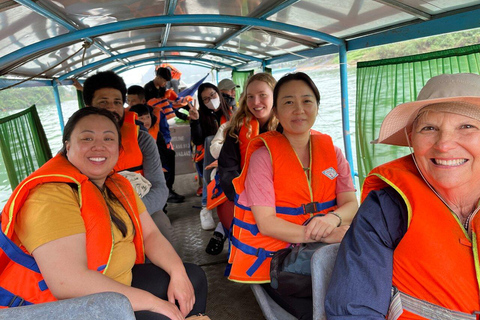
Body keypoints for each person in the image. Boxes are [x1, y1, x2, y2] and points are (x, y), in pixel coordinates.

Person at [0, 107, 207, 319]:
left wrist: (178, 272)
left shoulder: (117, 184)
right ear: (67, 146)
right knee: (163, 316)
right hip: (62, 306)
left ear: (118, 148)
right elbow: (67, 281)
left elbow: (151, 235)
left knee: (192, 278)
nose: (98, 146)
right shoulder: (49, 196)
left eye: (108, 139)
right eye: (87, 138)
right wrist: (154, 304)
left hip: (116, 282)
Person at [325, 73, 480, 319]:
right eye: (429, 128)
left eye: (467, 126)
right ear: (411, 139)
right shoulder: (386, 209)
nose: (444, 144)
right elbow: (355, 310)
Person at [227, 72, 358, 320]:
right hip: (279, 258)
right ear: (275, 110)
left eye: (307, 101)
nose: (299, 109)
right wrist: (326, 234)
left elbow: (351, 203)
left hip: (326, 244)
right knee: (328, 311)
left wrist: (333, 219)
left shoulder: (333, 152)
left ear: (318, 107)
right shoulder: (262, 157)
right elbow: (266, 222)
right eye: (288, 102)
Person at [82, 71, 174, 243]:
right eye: (103, 102)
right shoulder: (76, 145)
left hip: (141, 208)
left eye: (117, 102)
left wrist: (125, 215)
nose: (111, 108)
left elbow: (160, 189)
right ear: (88, 106)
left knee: (161, 225)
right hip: (98, 216)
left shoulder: (142, 139)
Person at [204, 72, 278, 256]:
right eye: (251, 96)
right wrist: (248, 199)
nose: (256, 102)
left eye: (263, 95)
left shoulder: (287, 127)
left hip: (280, 195)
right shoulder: (236, 130)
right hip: (243, 195)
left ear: (275, 96)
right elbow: (228, 170)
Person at [128, 86, 185, 204]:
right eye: (128, 101)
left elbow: (165, 133)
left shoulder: (157, 114)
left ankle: (167, 191)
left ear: (143, 101)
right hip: (138, 165)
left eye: (132, 101)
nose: (130, 104)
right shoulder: (126, 121)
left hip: (158, 151)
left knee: (168, 156)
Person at [189, 83, 232, 231]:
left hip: (232, 153)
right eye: (206, 99)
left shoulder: (233, 110)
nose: (211, 100)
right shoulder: (201, 115)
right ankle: (205, 207)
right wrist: (195, 122)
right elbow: (198, 140)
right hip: (210, 157)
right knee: (209, 140)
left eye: (213, 95)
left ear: (218, 93)